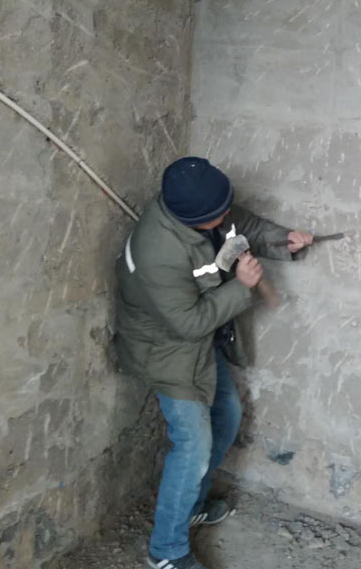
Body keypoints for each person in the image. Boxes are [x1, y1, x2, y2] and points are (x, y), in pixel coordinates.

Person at [114, 157, 313, 569]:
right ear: (190, 218)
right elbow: (187, 323)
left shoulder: (203, 210)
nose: (225, 216)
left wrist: (284, 239)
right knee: (193, 446)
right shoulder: (157, 252)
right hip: (168, 352)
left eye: (224, 207)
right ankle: (166, 552)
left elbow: (241, 224)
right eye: (216, 214)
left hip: (201, 346)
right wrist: (242, 287)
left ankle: (190, 508)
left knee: (227, 415)